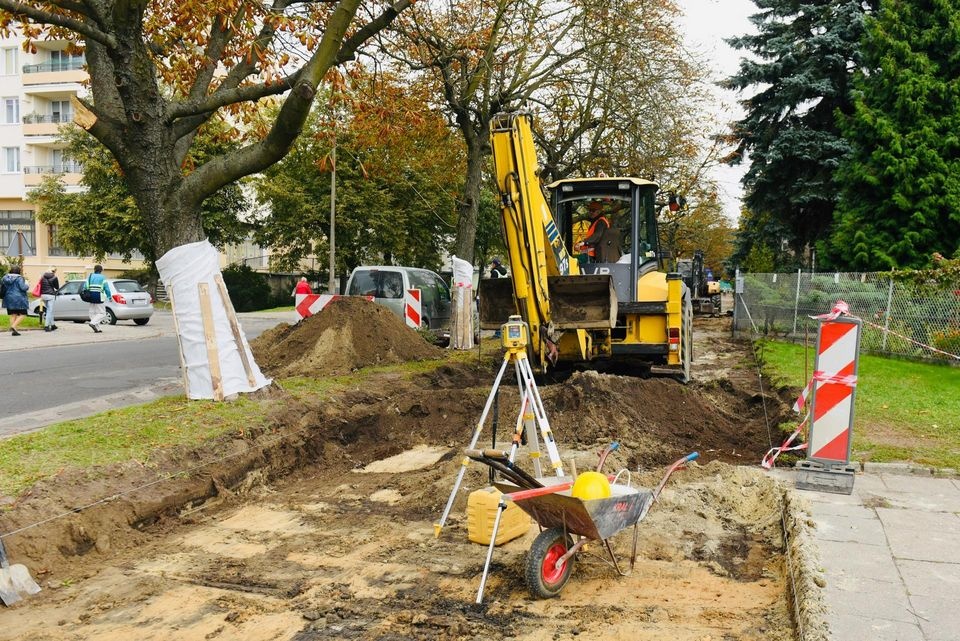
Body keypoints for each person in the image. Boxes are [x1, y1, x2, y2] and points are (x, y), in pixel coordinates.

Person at [1, 265, 29, 336]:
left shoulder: (5, 278)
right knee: (23, 314)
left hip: (8, 298)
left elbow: (3, 288)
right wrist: (27, 285)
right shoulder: (19, 278)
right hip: (19, 298)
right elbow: (23, 288)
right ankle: (13, 326)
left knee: (13, 314)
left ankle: (14, 331)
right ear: (18, 271)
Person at [84, 264, 111, 333]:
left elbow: (85, 286)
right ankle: (93, 323)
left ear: (94, 270)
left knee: (92, 312)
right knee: (102, 313)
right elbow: (106, 288)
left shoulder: (90, 276)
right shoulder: (102, 277)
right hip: (99, 295)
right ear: (101, 270)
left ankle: (97, 328)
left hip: (90, 296)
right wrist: (109, 296)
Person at [39, 266, 60, 332]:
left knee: (49, 310)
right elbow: (57, 287)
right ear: (54, 271)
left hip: (43, 295)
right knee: (49, 311)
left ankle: (53, 325)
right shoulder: (54, 277)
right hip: (50, 295)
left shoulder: (42, 276)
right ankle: (46, 326)